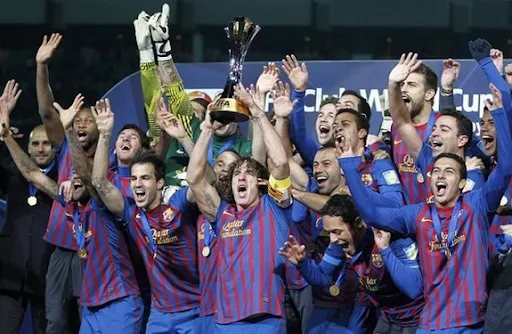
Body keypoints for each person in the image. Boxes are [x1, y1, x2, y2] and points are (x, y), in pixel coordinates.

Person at [340, 89, 512, 332]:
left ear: (462, 183)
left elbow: (505, 167)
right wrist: (349, 166)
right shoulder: (418, 214)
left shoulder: (476, 205)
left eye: (449, 172)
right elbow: (371, 214)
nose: (440, 175)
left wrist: (500, 114)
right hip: (430, 324)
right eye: (436, 172)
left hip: (470, 323)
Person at [186, 82, 296, 333]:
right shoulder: (222, 213)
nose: (241, 177)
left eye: (247, 173)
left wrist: (258, 114)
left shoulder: (273, 207)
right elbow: (194, 178)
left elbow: (279, 162)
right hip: (225, 320)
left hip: (265, 318)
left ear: (259, 182)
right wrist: (206, 129)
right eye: (236, 174)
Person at [90, 102, 200, 333]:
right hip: (159, 315)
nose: (137, 184)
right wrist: (105, 134)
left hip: (194, 309)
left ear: (160, 183)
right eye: (134, 179)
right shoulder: (133, 213)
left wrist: (183, 138)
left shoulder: (178, 203)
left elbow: (200, 180)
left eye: (145, 178)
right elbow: (100, 183)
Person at [280, 195, 424, 334]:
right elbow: (323, 277)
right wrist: (302, 264)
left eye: (337, 232)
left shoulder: (392, 237)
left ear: (357, 224)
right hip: (388, 317)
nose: (333, 239)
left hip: (419, 319)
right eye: (329, 232)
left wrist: (385, 250)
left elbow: (414, 289)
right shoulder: (339, 244)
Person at [35, 32, 99, 332]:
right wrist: (41, 66)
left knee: (89, 320)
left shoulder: (107, 159)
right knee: (56, 322)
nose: (81, 123)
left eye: (88, 119)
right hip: (62, 248)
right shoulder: (63, 147)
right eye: (78, 118)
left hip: (95, 249)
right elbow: (47, 112)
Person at [0, 80, 57, 334]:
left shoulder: (62, 181)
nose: (41, 148)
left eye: (46, 143)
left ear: (55, 148)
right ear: (28, 147)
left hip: (46, 277)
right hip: (10, 276)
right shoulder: (13, 179)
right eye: (35, 144)